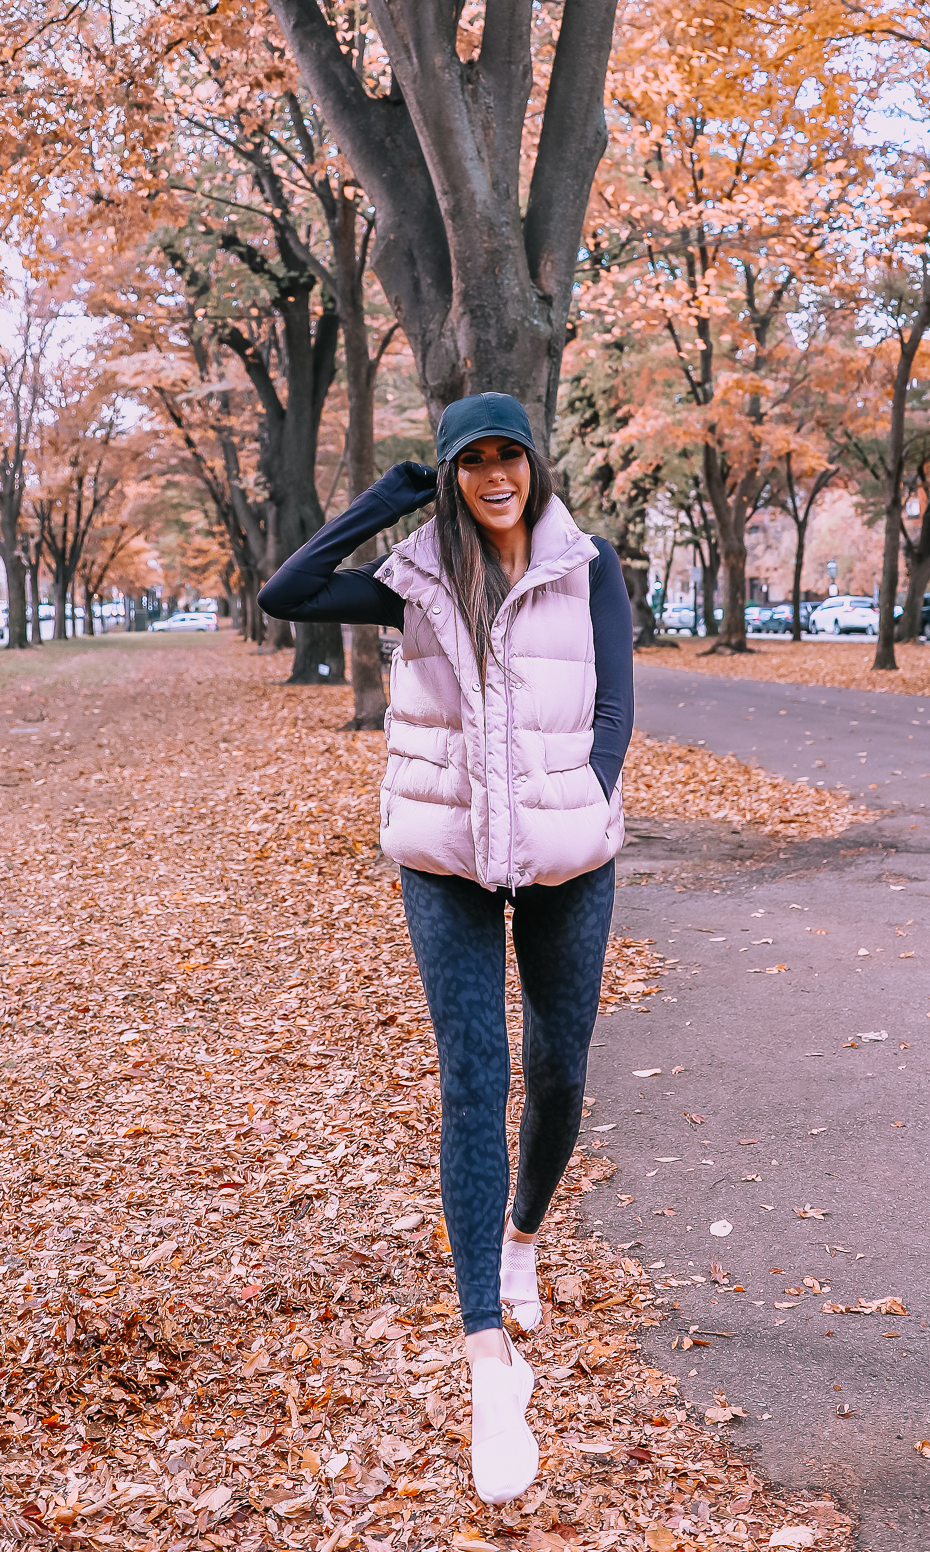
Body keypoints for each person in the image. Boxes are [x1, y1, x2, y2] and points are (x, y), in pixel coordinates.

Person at [259, 391, 634, 1504]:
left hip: (571, 858)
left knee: (560, 1071)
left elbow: (615, 708)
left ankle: (523, 1237)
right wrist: (390, 496)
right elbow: (283, 591)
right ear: (453, 476)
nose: (490, 473)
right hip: (445, 861)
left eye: (504, 454)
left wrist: (583, 797)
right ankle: (486, 1356)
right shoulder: (414, 578)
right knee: (475, 1079)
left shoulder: (589, 566)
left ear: (533, 462)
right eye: (467, 461)